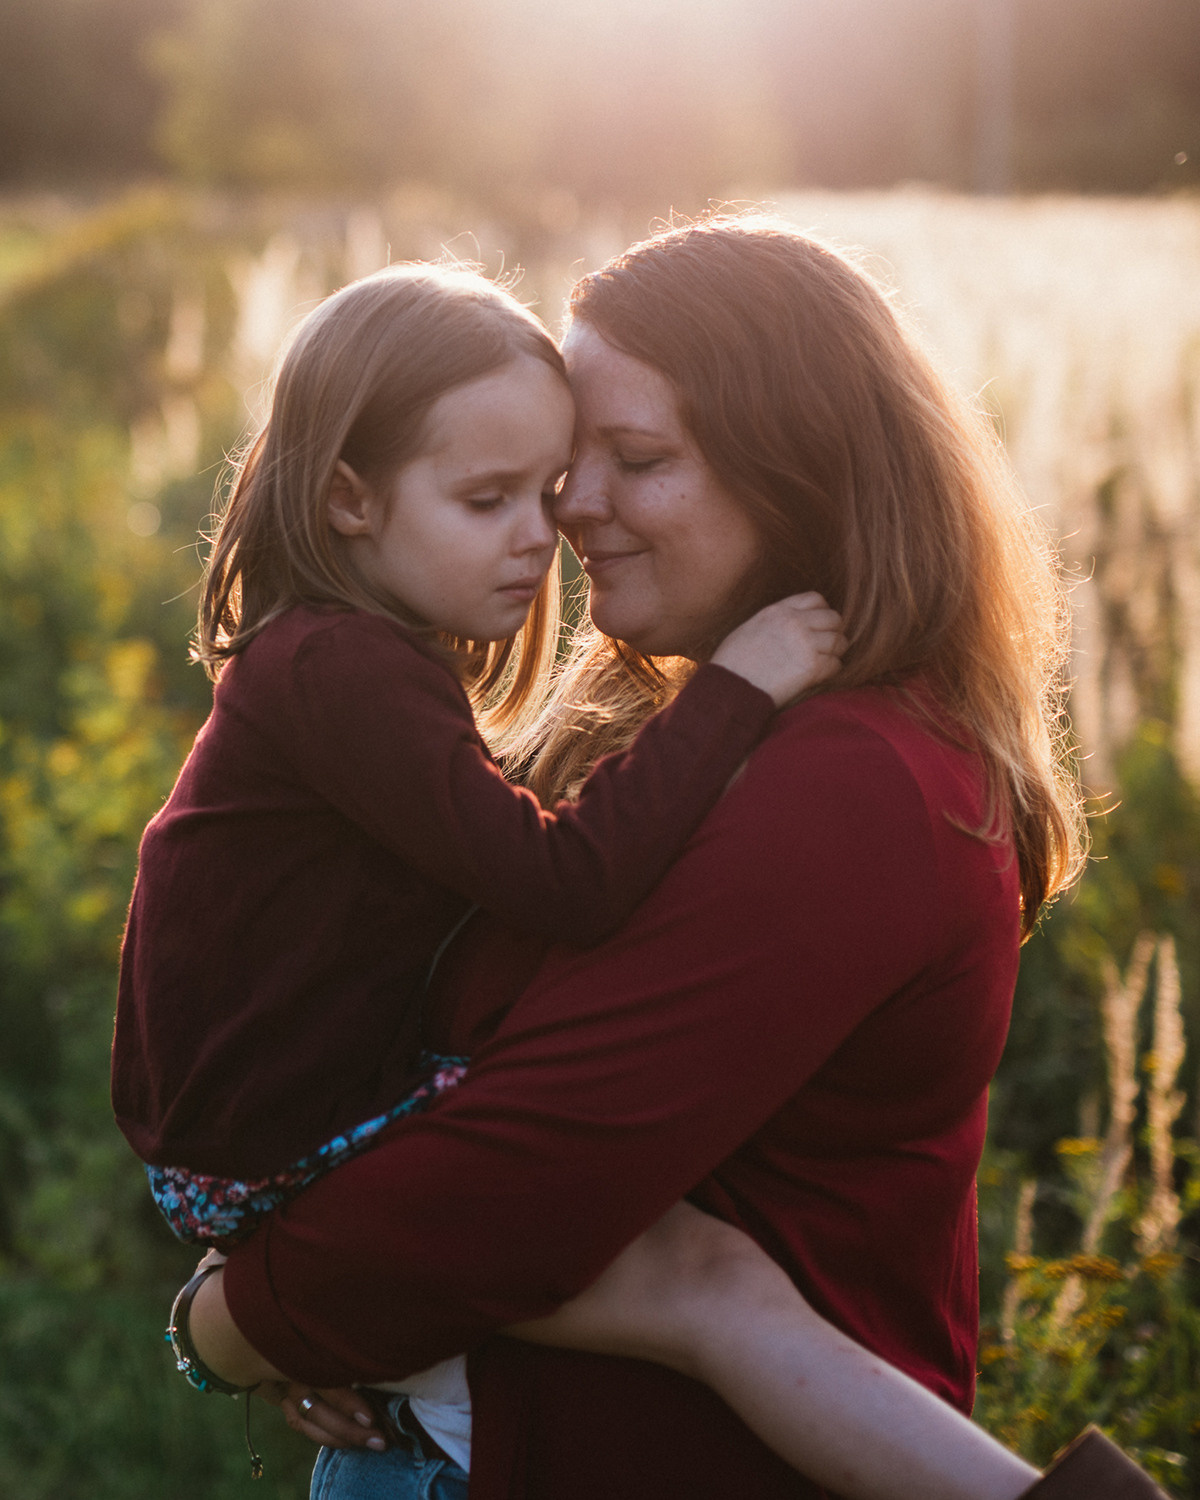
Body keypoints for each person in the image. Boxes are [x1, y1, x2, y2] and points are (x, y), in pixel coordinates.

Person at [165, 221, 1162, 1499]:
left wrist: (234, 1320)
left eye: (634, 460)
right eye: (570, 461)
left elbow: (530, 1161)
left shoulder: (855, 781)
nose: (570, 506)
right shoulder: (686, 727)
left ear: (799, 474)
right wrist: (332, 1286)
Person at [112, 260, 843, 1247]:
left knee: (693, 1262)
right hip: (268, 1150)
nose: (541, 538)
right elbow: (568, 882)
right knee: (699, 1268)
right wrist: (734, 690)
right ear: (349, 500)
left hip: (250, 1143)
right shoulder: (340, 672)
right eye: (487, 499)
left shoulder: (329, 658)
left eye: (544, 494)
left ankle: (392, 1379)